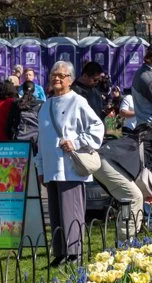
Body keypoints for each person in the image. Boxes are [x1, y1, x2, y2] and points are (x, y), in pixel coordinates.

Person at [36, 61, 104, 266]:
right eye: (53, 75)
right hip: (51, 167)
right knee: (56, 212)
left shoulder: (78, 101)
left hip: (70, 168)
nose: (56, 78)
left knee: (71, 210)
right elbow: (41, 139)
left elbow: (97, 127)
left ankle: (74, 252)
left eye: (61, 75)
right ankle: (60, 252)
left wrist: (76, 142)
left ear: (70, 80)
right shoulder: (46, 105)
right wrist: (40, 167)